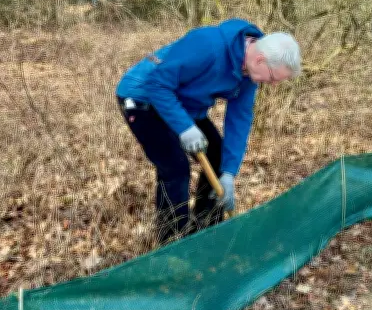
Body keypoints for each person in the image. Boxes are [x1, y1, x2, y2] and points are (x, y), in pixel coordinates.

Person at [116, 18, 302, 243]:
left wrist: (229, 174)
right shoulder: (208, 46)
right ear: (260, 59)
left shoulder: (248, 75)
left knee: (218, 155)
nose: (271, 85)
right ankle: (173, 241)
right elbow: (157, 84)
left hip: (182, 102)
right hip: (142, 96)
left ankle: (207, 231)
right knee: (175, 167)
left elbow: (239, 120)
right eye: (273, 78)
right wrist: (184, 128)